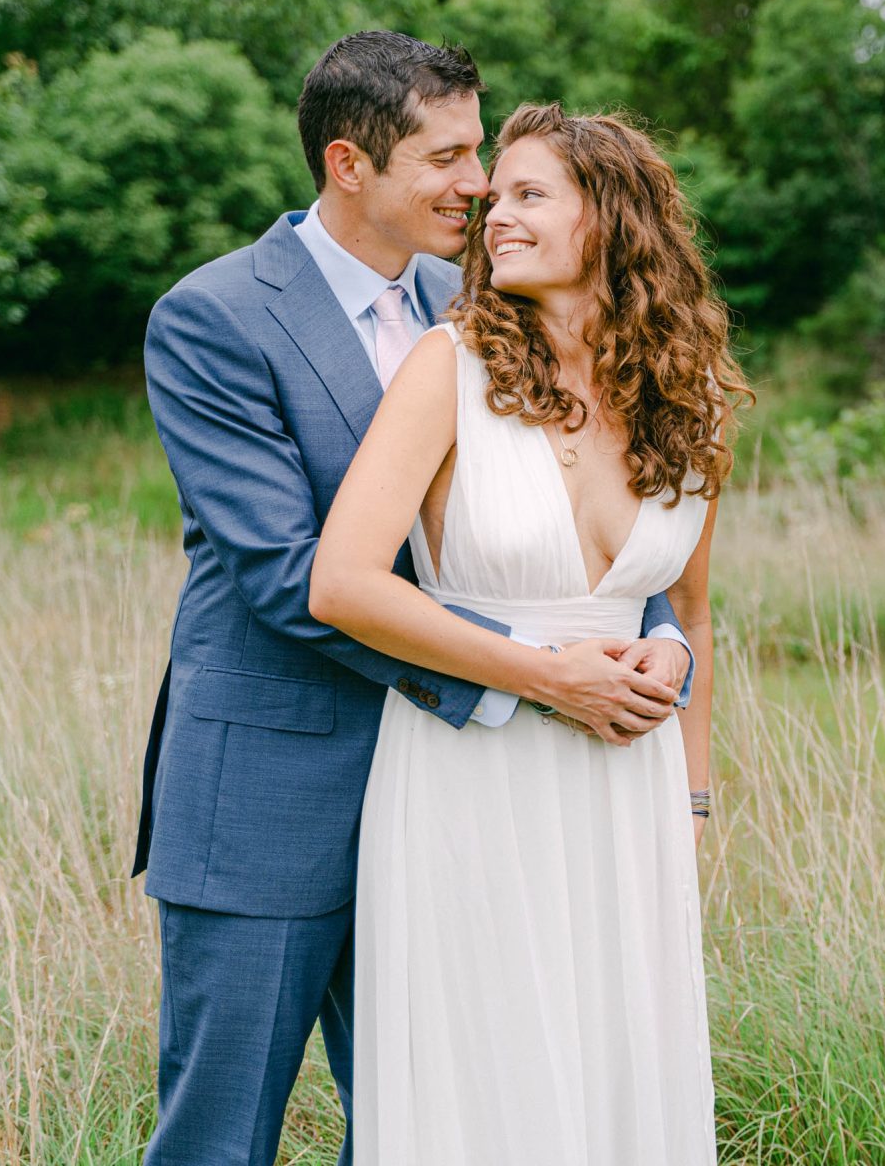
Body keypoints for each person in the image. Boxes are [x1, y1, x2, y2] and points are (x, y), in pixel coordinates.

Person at [133, 33, 696, 1166]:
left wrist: (654, 637)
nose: (479, 183)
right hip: (279, 795)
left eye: (480, 150)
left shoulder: (490, 298)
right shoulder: (215, 317)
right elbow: (292, 580)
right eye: (445, 158)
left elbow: (583, 514)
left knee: (434, 1126)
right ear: (350, 164)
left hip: (467, 814)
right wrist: (534, 679)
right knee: (219, 1137)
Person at [311, 101, 750, 1164]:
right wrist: (552, 678)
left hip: (628, 795)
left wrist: (687, 802)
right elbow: (342, 584)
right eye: (492, 193)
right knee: (492, 1081)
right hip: (476, 776)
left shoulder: (691, 396)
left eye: (526, 193)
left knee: (619, 1074)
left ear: (611, 217)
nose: (491, 213)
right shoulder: (445, 367)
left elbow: (685, 612)